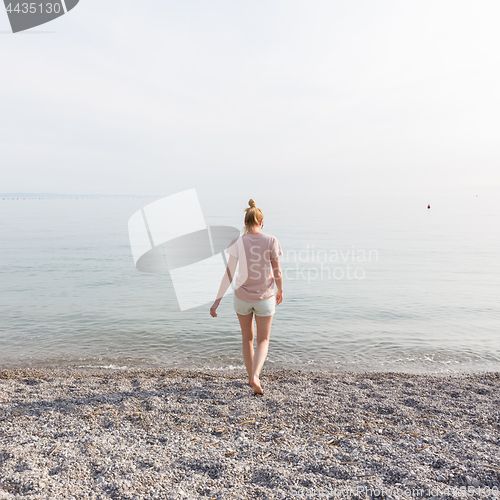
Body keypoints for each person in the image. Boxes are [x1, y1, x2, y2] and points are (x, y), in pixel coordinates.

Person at [210, 199, 283, 394]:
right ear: (261, 223)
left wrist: (216, 302)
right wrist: (280, 290)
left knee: (247, 339)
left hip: (241, 298)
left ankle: (251, 376)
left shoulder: (237, 242)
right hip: (265, 298)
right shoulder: (271, 241)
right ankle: (255, 376)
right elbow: (278, 272)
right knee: (263, 341)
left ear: (245, 223)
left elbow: (229, 274)